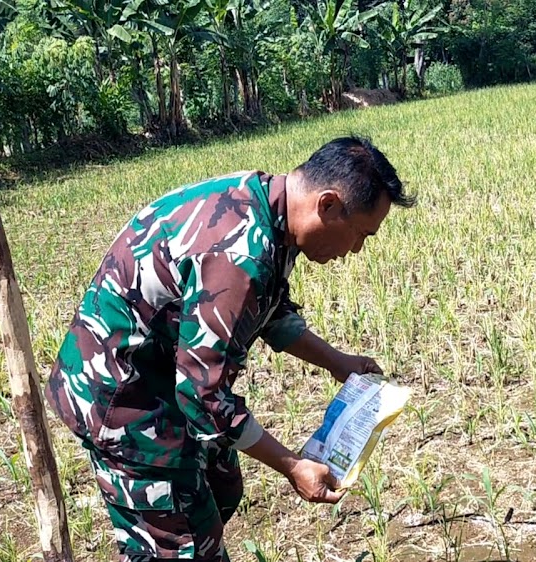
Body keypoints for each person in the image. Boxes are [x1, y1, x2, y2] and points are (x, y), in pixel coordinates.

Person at [44, 136, 416, 561]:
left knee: (222, 488)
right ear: (327, 205)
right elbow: (203, 395)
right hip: (124, 400)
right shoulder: (241, 253)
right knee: (186, 542)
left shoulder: (270, 208)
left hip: (162, 377)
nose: (355, 251)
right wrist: (293, 467)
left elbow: (267, 310)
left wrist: (338, 362)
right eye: (360, 235)